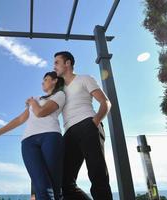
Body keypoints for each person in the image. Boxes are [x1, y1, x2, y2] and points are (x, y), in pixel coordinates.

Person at [0, 71, 65, 200]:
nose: (42, 82)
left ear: (55, 80)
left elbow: (41, 112)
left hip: (50, 137)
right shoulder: (37, 99)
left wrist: (32, 103)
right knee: (40, 185)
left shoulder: (59, 95)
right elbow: (19, 119)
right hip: (28, 142)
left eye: (46, 79)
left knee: (55, 187)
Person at [53, 51, 113, 200]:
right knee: (64, 182)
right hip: (69, 132)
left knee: (97, 174)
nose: (54, 66)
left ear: (67, 63)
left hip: (88, 124)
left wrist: (95, 121)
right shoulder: (59, 91)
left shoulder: (84, 78)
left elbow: (106, 102)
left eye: (56, 62)